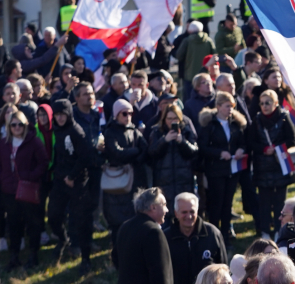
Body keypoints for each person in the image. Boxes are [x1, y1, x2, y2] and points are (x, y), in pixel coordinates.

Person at [0, 110, 47, 270]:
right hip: (9, 190)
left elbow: (44, 163)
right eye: (13, 125)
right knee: (14, 223)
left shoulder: (34, 141)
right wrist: (2, 179)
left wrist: (30, 176)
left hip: (28, 189)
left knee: (33, 223)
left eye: (20, 124)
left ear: (25, 125)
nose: (17, 127)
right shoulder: (3, 143)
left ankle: (33, 255)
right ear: (9, 127)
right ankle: (14, 256)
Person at [47, 98, 94, 273]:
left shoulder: (76, 131)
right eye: (57, 114)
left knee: (82, 222)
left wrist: (72, 176)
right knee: (53, 215)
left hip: (77, 181)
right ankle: (62, 239)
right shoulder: (57, 130)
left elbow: (85, 157)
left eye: (63, 114)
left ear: (69, 114)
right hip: (60, 180)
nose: (60, 118)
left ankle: (86, 259)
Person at [104, 99, 150, 265]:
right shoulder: (110, 132)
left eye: (131, 113)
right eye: (124, 113)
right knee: (119, 224)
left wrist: (136, 156)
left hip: (136, 180)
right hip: (119, 184)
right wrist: (136, 152)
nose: (128, 116)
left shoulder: (134, 130)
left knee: (135, 220)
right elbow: (117, 153)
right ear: (116, 115)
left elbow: (146, 149)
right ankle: (117, 259)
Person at [200, 92, 249, 245]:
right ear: (219, 106)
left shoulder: (235, 124)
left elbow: (243, 142)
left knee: (228, 203)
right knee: (216, 203)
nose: (230, 109)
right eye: (227, 106)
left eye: (232, 106)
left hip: (232, 170)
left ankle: (226, 236)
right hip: (216, 170)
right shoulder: (210, 125)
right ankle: (213, 236)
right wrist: (219, 153)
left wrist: (241, 149)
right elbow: (202, 147)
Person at [249, 89, 295, 240]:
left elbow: (292, 138)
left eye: (268, 102)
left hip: (280, 164)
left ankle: (278, 230)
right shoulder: (256, 120)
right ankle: (265, 231)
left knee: (279, 201)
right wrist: (263, 149)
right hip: (262, 167)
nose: (264, 106)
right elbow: (251, 142)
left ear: (276, 103)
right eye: (261, 103)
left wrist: (276, 148)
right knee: (264, 201)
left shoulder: (283, 117)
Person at [165, 192, 228, 284]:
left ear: (197, 211)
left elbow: (223, 268)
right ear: (176, 213)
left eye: (192, 211)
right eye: (184, 212)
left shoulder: (212, 234)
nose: (189, 216)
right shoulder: (165, 238)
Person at [148, 101, 199, 214]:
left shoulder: (186, 131)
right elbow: (152, 153)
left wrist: (182, 142)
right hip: (164, 179)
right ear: (164, 119)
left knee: (183, 210)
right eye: (169, 118)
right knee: (165, 211)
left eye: (175, 118)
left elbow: (194, 152)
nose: (172, 121)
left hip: (183, 178)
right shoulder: (157, 132)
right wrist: (164, 140)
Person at [117, 187, 174, 284]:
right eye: (164, 205)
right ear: (153, 207)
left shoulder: (125, 226)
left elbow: (116, 258)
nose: (167, 210)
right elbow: (160, 273)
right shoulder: (153, 232)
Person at [177, 21, 217, 96]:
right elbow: (215, 56)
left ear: (190, 30)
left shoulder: (187, 41)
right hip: (205, 75)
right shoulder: (208, 41)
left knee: (189, 98)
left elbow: (179, 56)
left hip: (189, 75)